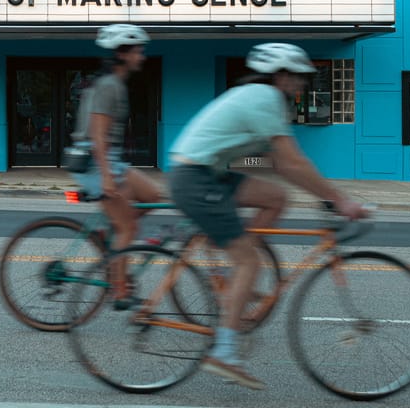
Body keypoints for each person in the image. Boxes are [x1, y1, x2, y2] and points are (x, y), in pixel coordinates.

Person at [168, 43, 368, 390]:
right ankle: (225, 352)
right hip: (196, 178)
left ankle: (236, 272)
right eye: (299, 77)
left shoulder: (259, 98)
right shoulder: (264, 98)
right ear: (281, 75)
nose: (303, 83)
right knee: (251, 263)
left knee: (276, 196)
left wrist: (320, 191)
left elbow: (276, 163)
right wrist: (339, 200)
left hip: (212, 172)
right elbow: (290, 161)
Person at [69, 24, 163, 308]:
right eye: (138, 51)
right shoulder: (109, 85)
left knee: (153, 197)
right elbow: (97, 134)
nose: (142, 56)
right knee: (127, 229)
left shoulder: (115, 83)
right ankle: (120, 291)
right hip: (94, 162)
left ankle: (110, 236)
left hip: (109, 158)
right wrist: (108, 179)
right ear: (123, 54)